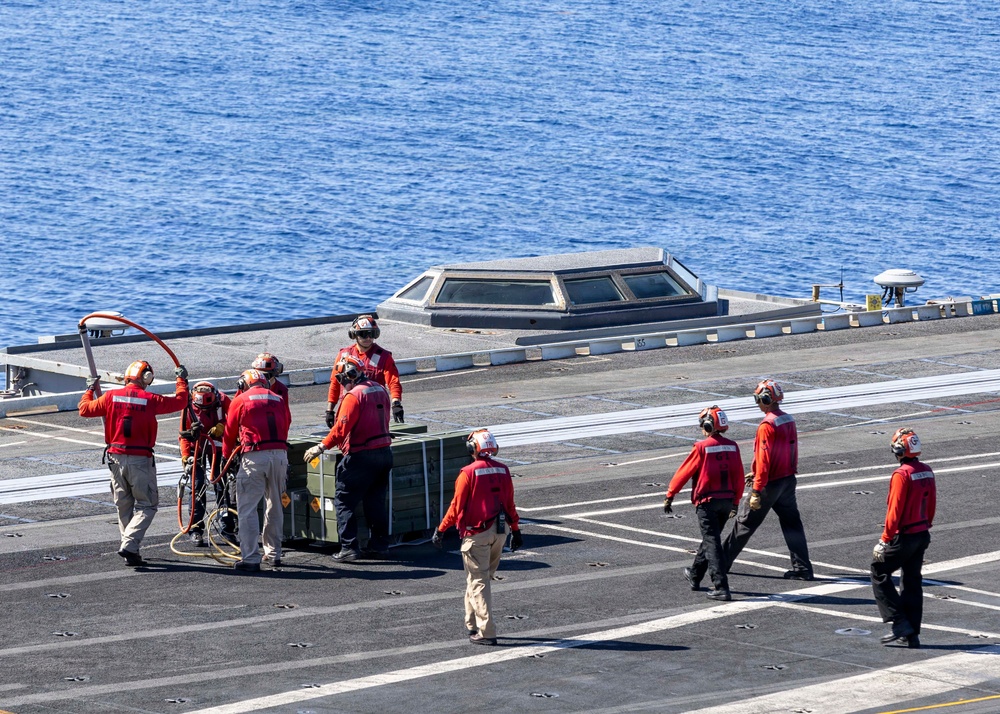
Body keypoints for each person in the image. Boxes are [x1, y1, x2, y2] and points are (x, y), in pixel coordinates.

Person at [78, 360, 189, 566]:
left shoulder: (110, 397)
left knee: (124, 505)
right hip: (140, 460)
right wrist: (181, 380)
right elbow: (181, 401)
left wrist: (89, 389)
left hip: (115, 458)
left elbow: (84, 409)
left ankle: (131, 549)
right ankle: (129, 545)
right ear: (146, 378)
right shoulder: (150, 399)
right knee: (147, 505)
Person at [432, 429, 523, 646]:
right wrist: (516, 530)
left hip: (477, 534)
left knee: (479, 581)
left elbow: (456, 507)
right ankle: (471, 623)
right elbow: (510, 504)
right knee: (477, 579)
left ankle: (487, 632)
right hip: (500, 533)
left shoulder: (468, 472)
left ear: (472, 448)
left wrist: (441, 529)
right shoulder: (503, 470)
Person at [721, 379, 814, 580]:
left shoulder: (766, 425)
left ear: (765, 399)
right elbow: (789, 450)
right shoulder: (788, 419)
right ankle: (803, 568)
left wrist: (756, 489)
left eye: (758, 399)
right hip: (787, 480)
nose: (757, 404)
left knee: (744, 524)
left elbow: (764, 460)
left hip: (769, 484)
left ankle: (720, 565)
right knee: (792, 524)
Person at [305, 355, 393, 562]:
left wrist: (321, 446)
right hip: (385, 454)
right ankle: (380, 546)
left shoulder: (354, 396)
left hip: (362, 456)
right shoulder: (380, 390)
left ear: (349, 376)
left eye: (341, 379)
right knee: (375, 503)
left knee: (344, 501)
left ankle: (349, 548)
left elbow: (341, 429)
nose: (341, 383)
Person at [664, 406, 744, 601]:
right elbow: (739, 477)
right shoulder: (733, 446)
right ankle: (695, 574)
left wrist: (670, 494)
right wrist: (735, 502)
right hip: (726, 502)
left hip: (707, 502)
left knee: (712, 541)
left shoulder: (701, 447)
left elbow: (684, 472)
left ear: (707, 425)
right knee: (711, 538)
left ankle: (721, 586)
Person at [872, 427, 935, 649]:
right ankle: (912, 634)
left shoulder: (901, 474)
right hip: (921, 533)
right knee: (912, 582)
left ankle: (899, 623)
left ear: (899, 449)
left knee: (879, 571)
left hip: (905, 535)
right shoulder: (927, 471)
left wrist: (884, 539)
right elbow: (931, 508)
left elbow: (894, 510)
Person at [222, 369, 290, 572]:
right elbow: (286, 423)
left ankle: (251, 557)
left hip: (255, 455)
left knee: (248, 509)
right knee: (275, 505)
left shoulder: (241, 400)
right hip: (280, 454)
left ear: (244, 383)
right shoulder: (278, 398)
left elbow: (229, 432)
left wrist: (226, 457)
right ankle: (274, 553)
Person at [178, 381, 233, 546]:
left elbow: (235, 418)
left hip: (218, 448)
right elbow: (184, 435)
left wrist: (224, 425)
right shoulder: (187, 406)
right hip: (197, 448)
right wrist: (186, 456)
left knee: (222, 487)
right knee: (197, 487)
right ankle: (195, 529)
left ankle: (227, 529)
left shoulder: (223, 401)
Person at [326, 314, 403, 428]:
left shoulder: (384, 357)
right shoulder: (344, 355)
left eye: (371, 334)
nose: (368, 338)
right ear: (354, 335)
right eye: (363, 334)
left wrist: (396, 403)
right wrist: (330, 410)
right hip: (348, 410)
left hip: (373, 411)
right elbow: (335, 383)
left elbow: (393, 381)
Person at [252, 352, 290, 425]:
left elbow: (286, 417)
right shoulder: (246, 385)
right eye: (261, 375)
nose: (263, 379)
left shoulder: (281, 390)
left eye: (267, 375)